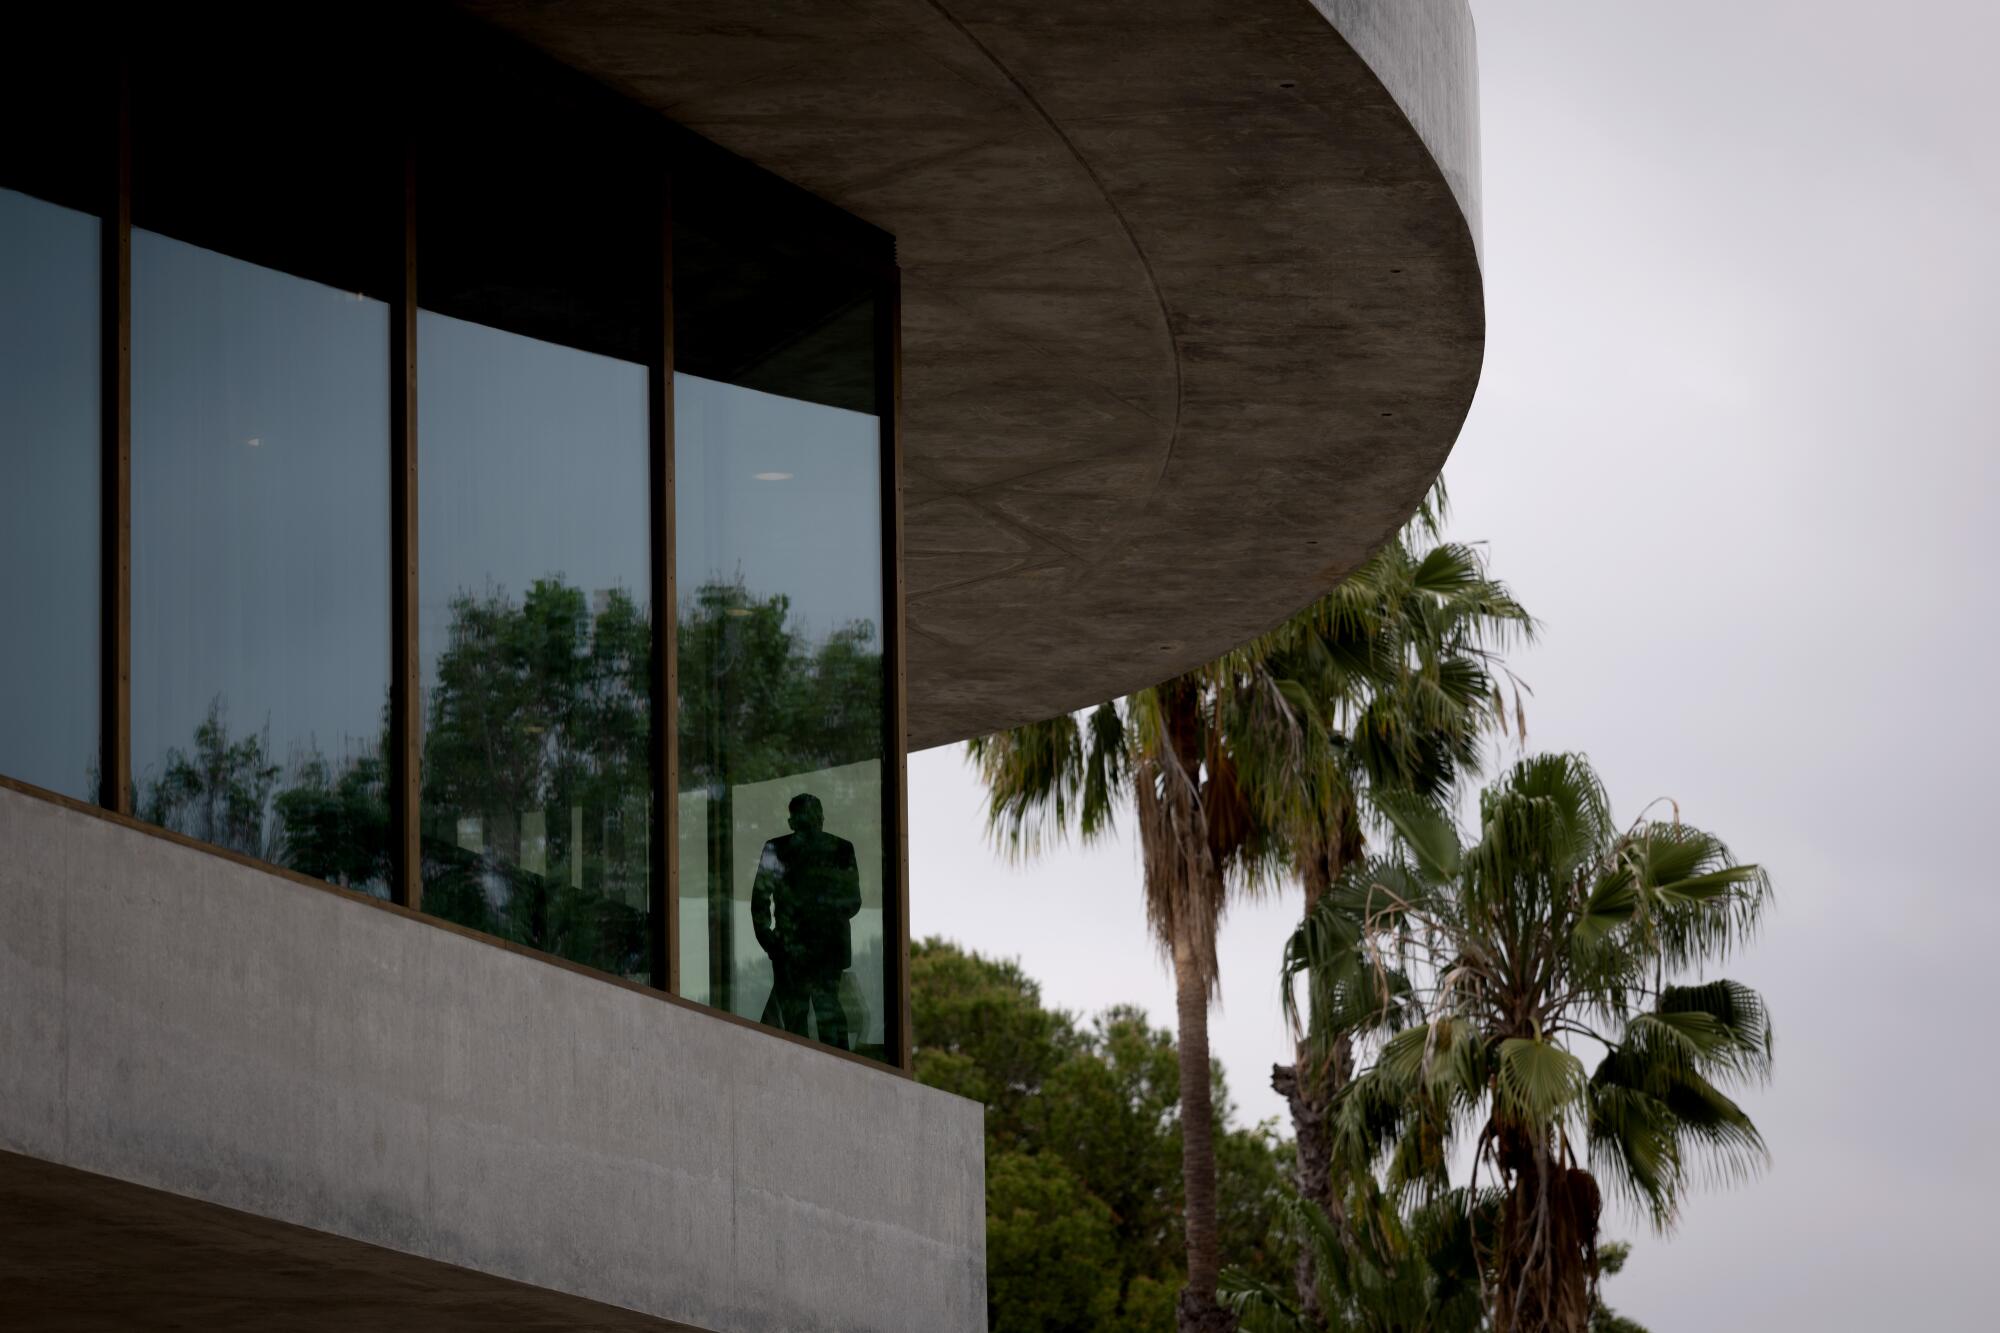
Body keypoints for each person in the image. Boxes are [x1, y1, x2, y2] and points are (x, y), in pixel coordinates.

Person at [751, 792, 861, 1048]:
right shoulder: (779, 848)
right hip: (799, 948)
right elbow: (760, 898)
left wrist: (770, 937)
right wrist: (770, 939)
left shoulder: (839, 849)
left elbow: (853, 900)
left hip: (813, 949)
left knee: (818, 1016)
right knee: (805, 1018)